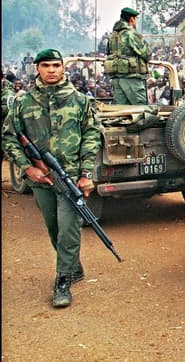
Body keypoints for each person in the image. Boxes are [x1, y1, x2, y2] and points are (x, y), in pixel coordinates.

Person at [1, 49, 102, 307]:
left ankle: (63, 280)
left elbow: (91, 137)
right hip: (41, 179)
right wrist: (26, 168)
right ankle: (73, 267)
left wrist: (87, 174)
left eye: (56, 65)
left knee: (68, 228)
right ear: (37, 69)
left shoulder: (79, 101)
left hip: (70, 178)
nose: (52, 70)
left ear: (63, 68)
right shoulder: (23, 102)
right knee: (53, 227)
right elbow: (10, 136)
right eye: (46, 65)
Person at [105, 7, 151, 104]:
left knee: (122, 112)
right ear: (131, 19)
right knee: (141, 110)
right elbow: (147, 54)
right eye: (136, 19)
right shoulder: (131, 34)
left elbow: (109, 54)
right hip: (132, 79)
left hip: (116, 79)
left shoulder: (112, 36)